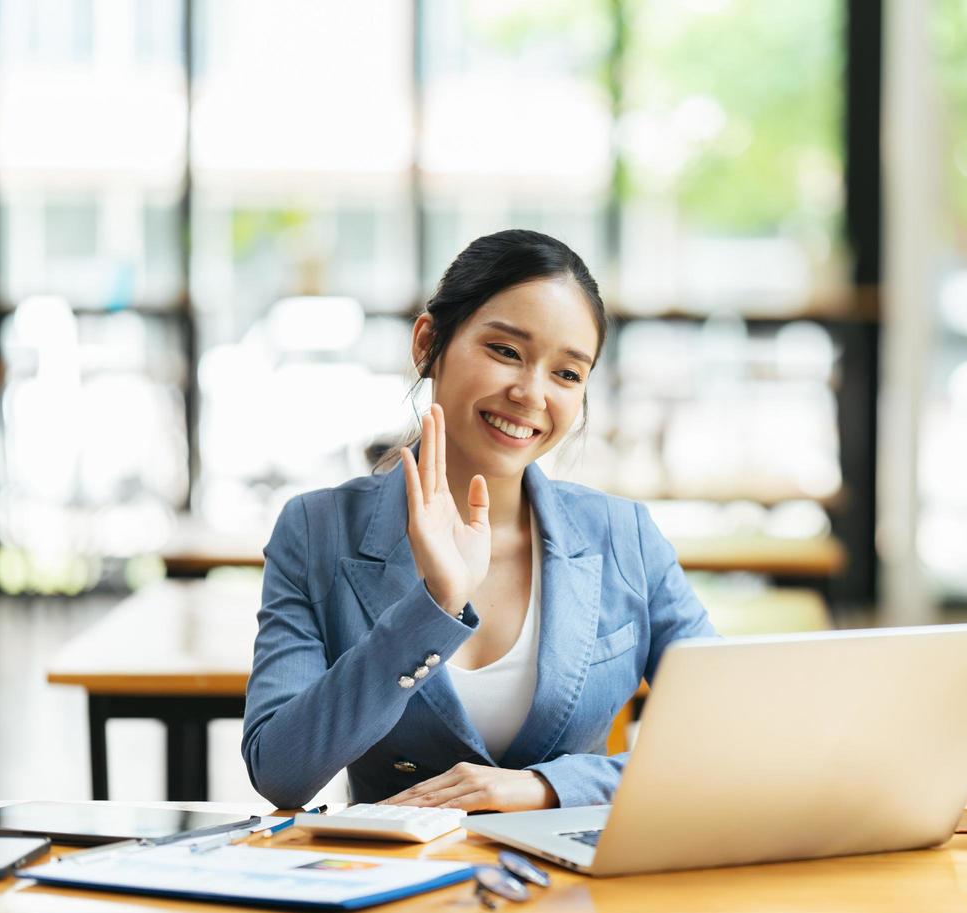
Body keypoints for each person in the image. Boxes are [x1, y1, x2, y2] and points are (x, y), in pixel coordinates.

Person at [241, 229, 715, 812]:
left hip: (575, 891)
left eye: (567, 374)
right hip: (392, 886)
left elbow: (722, 740)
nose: (530, 393)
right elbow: (279, 770)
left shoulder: (624, 537)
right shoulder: (317, 531)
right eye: (506, 352)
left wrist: (546, 787)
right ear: (427, 342)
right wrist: (432, 609)